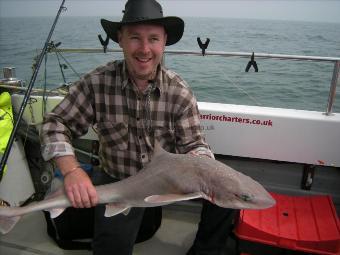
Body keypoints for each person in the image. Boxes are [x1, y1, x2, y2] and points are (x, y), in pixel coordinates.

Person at [40, 0, 235, 254]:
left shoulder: (180, 93)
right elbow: (55, 123)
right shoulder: (97, 84)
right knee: (111, 249)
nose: (145, 49)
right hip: (120, 181)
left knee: (229, 192)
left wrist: (203, 167)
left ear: (164, 41)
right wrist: (72, 171)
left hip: (166, 181)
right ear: (120, 39)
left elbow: (194, 144)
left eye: (153, 39)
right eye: (135, 38)